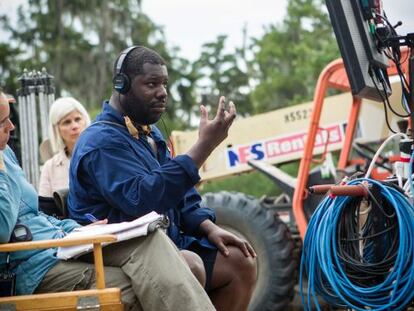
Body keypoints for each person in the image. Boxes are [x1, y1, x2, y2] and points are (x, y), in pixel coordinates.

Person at [68, 46, 257, 311]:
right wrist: (203, 148)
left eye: (165, 83)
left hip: (168, 242)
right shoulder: (101, 142)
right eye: (151, 83)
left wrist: (208, 227)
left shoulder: (150, 133)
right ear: (121, 85)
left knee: (240, 261)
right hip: (125, 252)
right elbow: (140, 198)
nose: (163, 92)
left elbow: (182, 194)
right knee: (189, 265)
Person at [0, 92, 215, 311]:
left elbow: (36, 216)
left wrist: (72, 230)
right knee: (141, 286)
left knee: (151, 236)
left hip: (59, 243)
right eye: (2, 122)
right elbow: (3, 229)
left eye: (77, 119)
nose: (11, 126)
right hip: (31, 264)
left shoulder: (5, 151)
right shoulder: (88, 150)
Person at [38, 97, 91, 197]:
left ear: (85, 120)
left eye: (78, 119)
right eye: (67, 122)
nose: (74, 126)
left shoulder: (100, 156)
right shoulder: (50, 167)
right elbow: (44, 207)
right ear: (56, 129)